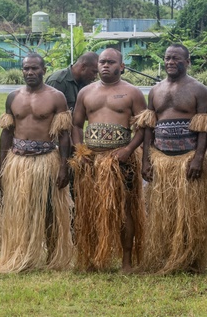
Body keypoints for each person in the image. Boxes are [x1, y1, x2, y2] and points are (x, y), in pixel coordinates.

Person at [71, 48, 152, 272]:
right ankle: (93, 259)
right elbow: (76, 124)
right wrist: (80, 151)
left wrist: (128, 149)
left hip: (120, 162)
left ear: (122, 66)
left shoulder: (133, 93)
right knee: (90, 209)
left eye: (111, 62)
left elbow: (143, 127)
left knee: (125, 209)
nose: (106, 66)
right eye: (102, 62)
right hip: (92, 160)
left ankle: (126, 262)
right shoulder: (85, 92)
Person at [139, 44, 207, 274]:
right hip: (162, 160)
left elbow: (204, 127)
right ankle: (165, 257)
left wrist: (198, 158)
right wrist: (146, 159)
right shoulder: (155, 91)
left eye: (176, 58)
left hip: (188, 160)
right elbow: (148, 127)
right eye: (167, 58)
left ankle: (191, 260)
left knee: (190, 215)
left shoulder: (199, 90)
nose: (170, 62)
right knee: (164, 214)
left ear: (187, 61)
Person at [0, 53, 74, 272]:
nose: (30, 73)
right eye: (26, 69)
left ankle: (54, 257)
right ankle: (23, 255)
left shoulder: (56, 97)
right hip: (18, 162)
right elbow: (7, 133)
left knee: (50, 209)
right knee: (21, 210)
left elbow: (64, 135)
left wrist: (63, 166)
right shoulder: (13, 97)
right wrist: (2, 164)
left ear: (43, 69)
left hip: (46, 160)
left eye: (34, 69)